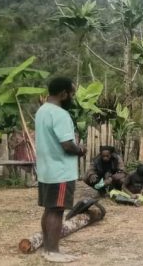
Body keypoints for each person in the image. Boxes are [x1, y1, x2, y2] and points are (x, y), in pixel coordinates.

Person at [35, 77, 86, 263]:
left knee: (50, 209)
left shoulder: (42, 111)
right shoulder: (60, 114)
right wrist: (80, 149)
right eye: (71, 93)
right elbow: (67, 145)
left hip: (46, 170)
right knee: (57, 211)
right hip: (60, 171)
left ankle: (47, 247)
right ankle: (53, 251)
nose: (72, 97)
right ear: (63, 93)